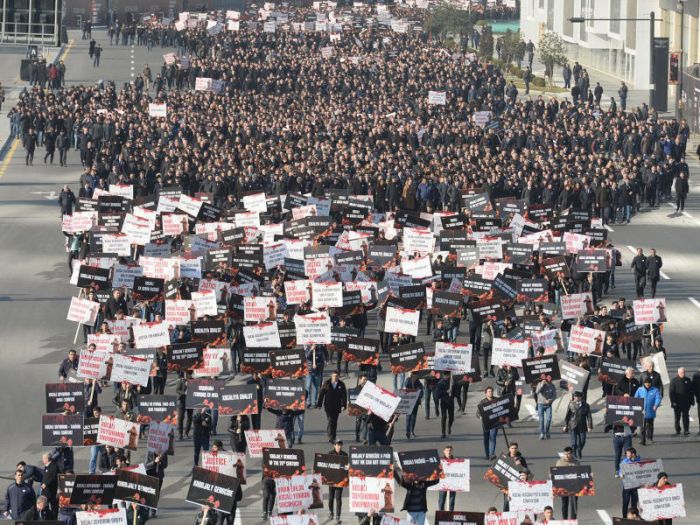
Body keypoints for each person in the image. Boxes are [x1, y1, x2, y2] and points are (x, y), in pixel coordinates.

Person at [317, 370, 347, 443]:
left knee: (334, 421)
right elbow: (321, 394)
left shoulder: (341, 384)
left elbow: (344, 395)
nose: (335, 377)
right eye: (333, 376)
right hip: (328, 406)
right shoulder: (327, 383)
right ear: (331, 376)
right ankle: (331, 436)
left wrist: (343, 405)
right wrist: (319, 404)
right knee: (330, 420)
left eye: (336, 376)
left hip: (337, 406)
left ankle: (333, 434)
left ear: (338, 376)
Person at [563, 391, 593, 459]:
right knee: (574, 442)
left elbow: (589, 416)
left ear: (580, 397)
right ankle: (574, 453)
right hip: (573, 425)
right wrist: (565, 425)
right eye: (575, 396)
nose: (575, 398)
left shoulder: (586, 405)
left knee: (583, 440)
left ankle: (579, 450)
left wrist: (590, 426)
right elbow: (567, 416)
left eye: (577, 397)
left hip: (582, 426)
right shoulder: (571, 404)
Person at [635, 377, 662, 445]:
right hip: (642, 411)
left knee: (650, 425)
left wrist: (656, 405)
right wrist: (639, 406)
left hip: (651, 411)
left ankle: (650, 437)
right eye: (646, 383)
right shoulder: (640, 389)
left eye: (649, 383)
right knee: (642, 426)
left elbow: (658, 398)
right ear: (644, 383)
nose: (648, 384)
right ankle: (642, 440)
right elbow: (636, 398)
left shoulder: (655, 390)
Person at [554, 447, 579, 519]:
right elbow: (555, 473)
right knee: (565, 503)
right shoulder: (559, 462)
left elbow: (581, 473)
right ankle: (565, 519)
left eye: (569, 454)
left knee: (574, 503)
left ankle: (573, 520)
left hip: (574, 486)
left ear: (571, 454)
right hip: (563, 486)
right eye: (566, 454)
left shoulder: (576, 462)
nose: (567, 456)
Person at [669, 367, 694, 436]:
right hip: (677, 403)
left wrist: (692, 401)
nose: (682, 373)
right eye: (681, 372)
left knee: (686, 417)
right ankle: (677, 430)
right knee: (677, 417)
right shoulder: (674, 381)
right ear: (678, 373)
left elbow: (691, 391)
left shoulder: (688, 380)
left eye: (683, 372)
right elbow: (671, 393)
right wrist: (673, 402)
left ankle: (686, 430)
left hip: (686, 403)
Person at [327, 440, 348, 523]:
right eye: (338, 445)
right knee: (330, 498)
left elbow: (346, 467)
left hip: (340, 480)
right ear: (334, 445)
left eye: (340, 445)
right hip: (332, 480)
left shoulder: (345, 455)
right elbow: (326, 465)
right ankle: (331, 512)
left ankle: (338, 516)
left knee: (338, 498)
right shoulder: (330, 454)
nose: (339, 446)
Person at [477, 386, 499, 460]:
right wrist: (480, 416)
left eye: (491, 391)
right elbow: (477, 413)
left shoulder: (496, 400)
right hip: (486, 424)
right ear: (486, 393)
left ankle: (491, 454)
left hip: (494, 423)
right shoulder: (482, 402)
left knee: (492, 438)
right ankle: (487, 454)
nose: (491, 393)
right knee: (486, 439)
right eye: (489, 391)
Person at [620, 447, 641, 517]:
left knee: (634, 503)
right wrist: (621, 475)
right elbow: (621, 471)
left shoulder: (639, 461)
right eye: (626, 453)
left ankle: (634, 517)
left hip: (635, 486)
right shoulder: (625, 461)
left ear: (633, 454)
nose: (626, 454)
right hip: (627, 486)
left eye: (628, 453)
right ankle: (624, 517)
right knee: (625, 503)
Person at [535, 375, 556, 439]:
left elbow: (554, 395)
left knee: (549, 419)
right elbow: (536, 392)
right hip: (541, 404)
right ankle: (542, 433)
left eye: (550, 378)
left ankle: (547, 431)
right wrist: (542, 385)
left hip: (548, 405)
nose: (549, 380)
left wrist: (551, 400)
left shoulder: (552, 385)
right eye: (548, 378)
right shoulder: (540, 384)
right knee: (541, 420)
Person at [437, 445, 457, 511]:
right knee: (441, 501)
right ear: (444, 451)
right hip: (443, 483)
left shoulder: (456, 461)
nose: (448, 452)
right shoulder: (440, 461)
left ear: (452, 452)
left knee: (451, 501)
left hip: (452, 484)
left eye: (450, 450)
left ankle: (450, 516)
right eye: (447, 450)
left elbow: (461, 471)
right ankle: (441, 515)